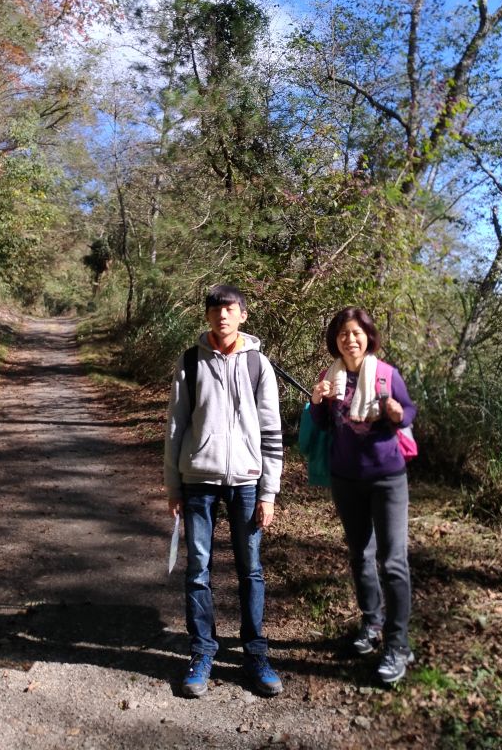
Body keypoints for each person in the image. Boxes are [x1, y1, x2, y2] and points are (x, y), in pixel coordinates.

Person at [164, 284, 284, 698]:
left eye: (230, 310)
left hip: (248, 483)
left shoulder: (259, 366)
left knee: (251, 569)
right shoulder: (190, 362)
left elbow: (272, 431)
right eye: (215, 310)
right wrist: (173, 484)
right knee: (198, 569)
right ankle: (202, 652)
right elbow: (176, 428)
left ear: (243, 316)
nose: (222, 316)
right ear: (208, 316)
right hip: (198, 481)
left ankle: (255, 653)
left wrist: (269, 491)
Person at [309, 306, 418, 686]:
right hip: (345, 479)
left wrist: (396, 412)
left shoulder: (387, 374)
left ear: (368, 336)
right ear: (335, 341)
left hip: (387, 478)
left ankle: (398, 643)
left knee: (393, 563)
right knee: (360, 555)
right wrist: (317, 401)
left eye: (356, 333)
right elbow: (323, 424)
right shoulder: (330, 376)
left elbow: (408, 412)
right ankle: (371, 624)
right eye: (342, 334)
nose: (349, 339)